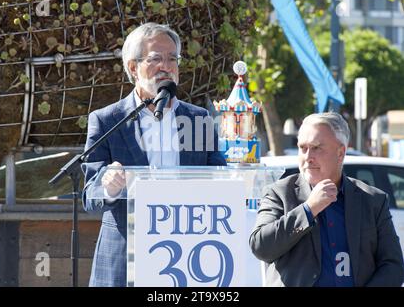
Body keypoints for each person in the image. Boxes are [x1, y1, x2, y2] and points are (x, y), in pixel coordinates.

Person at [81, 22, 226, 287]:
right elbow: (90, 194)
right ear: (133, 67)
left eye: (173, 59)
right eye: (156, 58)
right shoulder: (106, 120)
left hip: (190, 257)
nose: (166, 66)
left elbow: (220, 179)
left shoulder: (199, 120)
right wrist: (108, 185)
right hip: (125, 260)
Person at [250, 112, 404, 287]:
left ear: (340, 152)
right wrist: (308, 210)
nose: (307, 157)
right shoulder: (279, 193)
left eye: (316, 147)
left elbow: (393, 266)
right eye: (303, 148)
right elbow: (260, 246)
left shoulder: (373, 200)